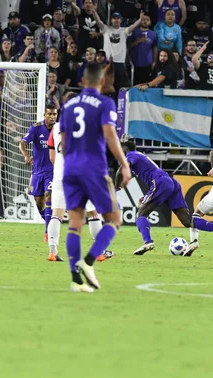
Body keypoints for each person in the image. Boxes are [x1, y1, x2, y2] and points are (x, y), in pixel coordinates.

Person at [59, 62, 131, 292]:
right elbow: (110, 135)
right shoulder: (104, 103)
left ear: (82, 82)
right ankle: (88, 262)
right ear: (101, 82)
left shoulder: (68, 105)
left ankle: (76, 280)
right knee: (114, 219)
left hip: (70, 168)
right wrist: (124, 164)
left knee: (74, 224)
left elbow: (63, 142)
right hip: (94, 168)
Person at [46, 119, 110, 263]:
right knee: (93, 213)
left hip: (60, 176)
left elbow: (52, 156)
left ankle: (52, 252)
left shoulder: (56, 127)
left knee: (57, 214)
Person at [118, 141, 196, 255]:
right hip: (169, 181)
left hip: (161, 181)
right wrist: (145, 196)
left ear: (125, 150)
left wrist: (116, 185)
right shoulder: (139, 156)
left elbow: (122, 170)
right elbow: (153, 179)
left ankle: (148, 242)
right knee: (186, 221)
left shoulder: (131, 155)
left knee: (140, 214)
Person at [20, 105, 57, 242]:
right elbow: (23, 143)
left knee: (48, 196)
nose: (52, 117)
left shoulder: (59, 129)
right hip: (37, 171)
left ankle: (48, 232)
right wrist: (26, 155)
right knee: (38, 201)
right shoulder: (35, 128)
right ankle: (51, 222)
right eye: (50, 114)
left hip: (52, 171)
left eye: (55, 114)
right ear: (44, 114)